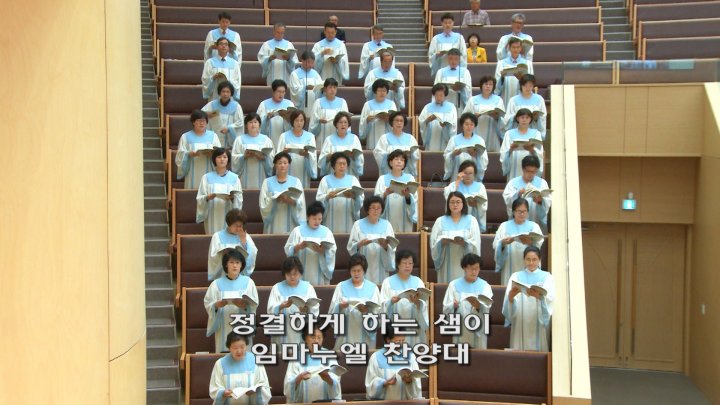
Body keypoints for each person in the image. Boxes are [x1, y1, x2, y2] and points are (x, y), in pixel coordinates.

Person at [204, 251, 259, 353]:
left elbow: (254, 305)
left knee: (243, 354)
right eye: (231, 262)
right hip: (223, 324)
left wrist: (245, 306)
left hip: (242, 324)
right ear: (226, 264)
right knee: (225, 355)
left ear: (241, 265)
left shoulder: (249, 283)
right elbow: (208, 303)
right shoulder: (216, 284)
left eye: (237, 263)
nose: (235, 266)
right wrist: (216, 306)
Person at [502, 246, 555, 351]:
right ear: (524, 259)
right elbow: (508, 301)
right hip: (520, 320)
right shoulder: (515, 277)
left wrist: (539, 297)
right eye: (528, 259)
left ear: (539, 260)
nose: (531, 263)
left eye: (534, 259)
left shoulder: (547, 277)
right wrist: (511, 296)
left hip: (538, 320)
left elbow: (550, 299)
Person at [329, 254, 381, 349]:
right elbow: (332, 312)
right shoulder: (341, 286)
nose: (356, 273)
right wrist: (340, 307)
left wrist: (366, 311)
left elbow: (378, 314)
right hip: (346, 334)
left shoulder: (373, 288)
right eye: (353, 270)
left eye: (359, 271)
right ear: (350, 271)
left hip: (365, 335)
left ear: (364, 271)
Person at [442, 253, 492, 348]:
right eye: (471, 268)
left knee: (478, 355)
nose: (474, 272)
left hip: (478, 331)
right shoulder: (454, 285)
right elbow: (446, 308)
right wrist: (453, 306)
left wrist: (478, 306)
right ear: (464, 268)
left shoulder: (485, 286)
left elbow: (487, 307)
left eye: (476, 268)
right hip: (461, 328)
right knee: (462, 354)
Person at [380, 250, 429, 346]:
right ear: (398, 264)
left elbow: (423, 305)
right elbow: (382, 305)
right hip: (395, 327)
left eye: (410, 263)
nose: (407, 266)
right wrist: (391, 302)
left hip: (414, 327)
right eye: (404, 263)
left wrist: (417, 302)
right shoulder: (388, 282)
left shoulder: (418, 282)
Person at [430, 192, 481, 283]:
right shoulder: (440, 221)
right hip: (446, 261)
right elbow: (433, 244)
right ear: (448, 204)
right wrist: (442, 242)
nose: (455, 205)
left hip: (464, 261)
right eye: (452, 202)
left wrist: (465, 243)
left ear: (463, 203)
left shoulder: (472, 221)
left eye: (458, 202)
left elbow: (476, 244)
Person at [267, 257, 319, 345]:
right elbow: (270, 310)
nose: (292, 277)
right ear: (284, 273)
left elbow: (315, 309)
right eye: (289, 274)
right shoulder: (276, 288)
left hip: (301, 326)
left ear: (300, 273)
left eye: (295, 274)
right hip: (283, 327)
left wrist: (306, 310)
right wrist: (281, 306)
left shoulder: (308, 287)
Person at [208, 333, 271, 405]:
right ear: (229, 348)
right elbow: (214, 388)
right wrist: (223, 393)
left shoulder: (256, 361)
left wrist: (257, 390)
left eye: (242, 347)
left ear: (246, 345)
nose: (239, 351)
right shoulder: (220, 364)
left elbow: (264, 385)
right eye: (235, 348)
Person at [493, 198, 544, 285]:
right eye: (519, 211)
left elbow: (538, 245)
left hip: (529, 263)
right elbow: (496, 244)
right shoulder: (504, 226)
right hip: (509, 263)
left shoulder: (534, 226)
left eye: (524, 211)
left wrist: (530, 243)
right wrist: (503, 243)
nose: (522, 214)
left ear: (528, 212)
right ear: (513, 212)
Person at [284, 327, 342, 403]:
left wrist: (327, 377)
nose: (316, 341)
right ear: (305, 339)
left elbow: (336, 385)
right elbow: (288, 387)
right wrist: (300, 377)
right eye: (312, 337)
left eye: (319, 337)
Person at [348, 196, 397, 285]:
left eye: (378, 208)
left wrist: (386, 247)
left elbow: (392, 247)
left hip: (381, 265)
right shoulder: (357, 224)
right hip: (363, 263)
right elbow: (351, 247)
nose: (376, 211)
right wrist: (360, 244)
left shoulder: (387, 225)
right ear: (367, 209)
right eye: (373, 208)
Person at [285, 202, 337, 286]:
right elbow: (288, 249)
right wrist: (298, 247)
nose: (317, 221)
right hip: (301, 268)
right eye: (314, 218)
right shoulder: (297, 231)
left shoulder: (327, 232)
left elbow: (332, 251)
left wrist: (323, 251)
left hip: (319, 272)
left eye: (319, 219)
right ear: (308, 217)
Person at [196, 148, 243, 235]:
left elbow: (239, 199)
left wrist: (233, 198)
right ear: (214, 159)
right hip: (212, 214)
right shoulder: (206, 178)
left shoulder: (235, 178)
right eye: (219, 157)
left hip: (229, 214)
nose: (222, 159)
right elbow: (200, 198)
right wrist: (207, 197)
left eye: (225, 157)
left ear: (228, 159)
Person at [365, 331, 423, 400]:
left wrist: (410, 382)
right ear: (388, 340)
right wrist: (384, 383)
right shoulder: (376, 357)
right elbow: (370, 384)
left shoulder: (410, 356)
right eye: (398, 341)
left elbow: (417, 386)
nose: (401, 344)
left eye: (403, 341)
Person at [259, 152, 307, 234]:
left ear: (289, 165)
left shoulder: (296, 182)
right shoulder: (267, 182)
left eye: (285, 163)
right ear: (275, 165)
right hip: (272, 222)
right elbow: (263, 204)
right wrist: (274, 200)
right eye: (279, 163)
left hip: (291, 221)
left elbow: (301, 203)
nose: (282, 165)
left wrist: (290, 201)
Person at [316, 153, 363, 234]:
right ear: (333, 165)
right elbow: (319, 198)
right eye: (339, 164)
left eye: (344, 164)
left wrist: (354, 197)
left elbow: (360, 197)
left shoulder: (353, 180)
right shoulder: (325, 180)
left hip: (348, 216)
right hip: (330, 216)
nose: (342, 166)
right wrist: (327, 196)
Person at [503, 155, 551, 233]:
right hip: (517, 224)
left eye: (533, 172)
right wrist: (518, 194)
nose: (530, 174)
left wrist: (540, 201)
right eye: (528, 171)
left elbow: (547, 202)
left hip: (536, 221)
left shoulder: (542, 183)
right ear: (523, 169)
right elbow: (507, 200)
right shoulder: (513, 183)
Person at [176, 110, 222, 189]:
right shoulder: (185, 136)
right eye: (199, 121)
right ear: (193, 122)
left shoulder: (213, 136)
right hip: (192, 171)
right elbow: (180, 155)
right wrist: (188, 154)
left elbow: (220, 153)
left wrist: (213, 154)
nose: (202, 123)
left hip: (209, 170)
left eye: (204, 121)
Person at [374, 150, 418, 233]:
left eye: (402, 160)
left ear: (404, 164)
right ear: (390, 162)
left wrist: (407, 196)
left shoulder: (410, 178)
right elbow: (376, 200)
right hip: (387, 216)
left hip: (405, 218)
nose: (399, 162)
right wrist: (385, 194)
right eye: (396, 159)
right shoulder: (382, 179)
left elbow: (415, 199)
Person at [208, 209, 257, 281]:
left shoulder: (245, 236)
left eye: (240, 226)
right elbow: (213, 259)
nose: (238, 228)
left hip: (240, 277)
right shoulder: (217, 236)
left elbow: (252, 255)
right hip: (222, 277)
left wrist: (244, 243)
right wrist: (222, 254)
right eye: (236, 226)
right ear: (229, 224)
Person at [231, 113, 275, 189]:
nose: (253, 125)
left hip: (261, 174)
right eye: (250, 122)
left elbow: (272, 158)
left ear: (259, 125)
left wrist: (264, 158)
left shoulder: (266, 140)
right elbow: (234, 157)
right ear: (246, 125)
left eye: (255, 122)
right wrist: (244, 156)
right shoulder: (239, 140)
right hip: (244, 175)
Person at [275, 110, 318, 188]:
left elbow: (313, 156)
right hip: (289, 169)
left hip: (304, 170)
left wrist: (307, 154)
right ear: (292, 121)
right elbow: (278, 156)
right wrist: (284, 153)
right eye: (297, 120)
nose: (299, 123)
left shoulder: (310, 137)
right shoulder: (284, 136)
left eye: (301, 120)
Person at [499, 108, 543, 181]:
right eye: (522, 117)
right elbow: (504, 152)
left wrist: (532, 150)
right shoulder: (509, 134)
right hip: (514, 165)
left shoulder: (536, 134)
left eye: (527, 118)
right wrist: (511, 149)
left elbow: (539, 153)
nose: (524, 120)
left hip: (530, 165)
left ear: (530, 119)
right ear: (517, 118)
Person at [462, 75, 505, 152]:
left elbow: (502, 118)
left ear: (493, 86)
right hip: (477, 130)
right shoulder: (473, 100)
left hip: (493, 132)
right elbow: (465, 117)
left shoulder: (498, 100)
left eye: (490, 84)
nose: (488, 86)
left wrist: (496, 117)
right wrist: (473, 117)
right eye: (486, 84)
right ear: (481, 86)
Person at [443, 112, 488, 182]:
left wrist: (476, 156)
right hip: (457, 172)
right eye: (466, 124)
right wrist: (453, 154)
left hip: (473, 175)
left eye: (471, 124)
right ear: (462, 125)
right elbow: (447, 156)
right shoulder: (454, 139)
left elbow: (484, 160)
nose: (469, 127)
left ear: (474, 126)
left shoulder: (480, 141)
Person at [444, 160, 488, 232]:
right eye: (465, 173)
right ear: (460, 173)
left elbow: (484, 205)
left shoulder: (480, 186)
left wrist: (476, 204)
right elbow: (447, 197)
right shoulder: (454, 184)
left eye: (470, 173)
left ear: (474, 174)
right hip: (456, 217)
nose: (468, 176)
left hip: (474, 218)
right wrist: (457, 181)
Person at [373, 112, 420, 178]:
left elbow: (416, 154)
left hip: (406, 172)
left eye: (401, 121)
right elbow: (378, 153)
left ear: (404, 123)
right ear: (392, 122)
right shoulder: (384, 138)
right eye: (397, 120)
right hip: (389, 172)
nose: (399, 123)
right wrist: (391, 155)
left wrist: (410, 154)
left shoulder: (411, 138)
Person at [318, 111, 363, 178]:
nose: (343, 124)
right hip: (333, 176)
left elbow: (360, 160)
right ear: (336, 124)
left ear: (348, 125)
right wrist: (329, 156)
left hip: (350, 175)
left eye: (345, 122)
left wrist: (353, 156)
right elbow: (322, 161)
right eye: (340, 122)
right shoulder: (329, 140)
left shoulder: (355, 139)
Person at [503, 74, 547, 141]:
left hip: (533, 132)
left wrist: (536, 118)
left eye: (530, 86)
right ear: (521, 85)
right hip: (517, 132)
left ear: (533, 86)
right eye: (525, 86)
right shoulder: (513, 100)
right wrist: (517, 116)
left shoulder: (539, 99)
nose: (528, 88)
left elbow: (543, 117)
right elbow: (508, 118)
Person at [201, 81, 244, 149]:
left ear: (231, 93)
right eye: (223, 91)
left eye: (228, 92)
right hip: (215, 136)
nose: (225, 94)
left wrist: (229, 128)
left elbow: (240, 122)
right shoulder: (212, 105)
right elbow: (201, 115)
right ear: (219, 92)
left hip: (229, 139)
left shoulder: (236, 106)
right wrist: (207, 114)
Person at [310, 78, 349, 149]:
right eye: (330, 87)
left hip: (337, 136)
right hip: (322, 136)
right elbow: (313, 122)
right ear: (325, 89)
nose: (332, 90)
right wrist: (319, 121)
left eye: (334, 87)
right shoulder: (318, 102)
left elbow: (346, 121)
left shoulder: (342, 102)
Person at [359, 79, 398, 150]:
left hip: (387, 136)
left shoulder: (392, 104)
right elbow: (362, 122)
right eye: (379, 91)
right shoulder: (367, 105)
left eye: (384, 91)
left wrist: (389, 120)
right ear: (375, 91)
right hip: (372, 136)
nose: (382, 93)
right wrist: (367, 120)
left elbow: (396, 121)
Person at [419, 84, 457, 152]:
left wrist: (445, 126)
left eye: (441, 95)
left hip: (445, 141)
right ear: (434, 95)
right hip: (432, 138)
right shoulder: (427, 107)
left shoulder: (451, 107)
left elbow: (454, 125)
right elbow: (422, 122)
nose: (439, 98)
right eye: (437, 95)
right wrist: (427, 121)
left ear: (445, 95)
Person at [257, 22, 298, 86]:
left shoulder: (289, 45)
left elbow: (294, 61)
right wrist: (269, 59)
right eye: (278, 32)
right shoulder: (266, 45)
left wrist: (288, 59)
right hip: (272, 76)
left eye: (282, 33)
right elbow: (261, 58)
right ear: (274, 32)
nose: (280, 35)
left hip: (285, 76)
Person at [495, 37, 533, 106]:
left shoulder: (528, 64)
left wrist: (522, 79)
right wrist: (502, 78)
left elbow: (531, 82)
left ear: (521, 48)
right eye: (513, 47)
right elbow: (497, 85)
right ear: (509, 48)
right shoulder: (501, 63)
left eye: (518, 47)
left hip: (522, 98)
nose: (516, 49)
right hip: (506, 97)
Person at [202, 37, 242, 102]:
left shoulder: (235, 64)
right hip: (214, 95)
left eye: (226, 44)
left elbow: (238, 81)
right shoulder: (210, 62)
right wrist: (213, 78)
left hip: (229, 96)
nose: (223, 46)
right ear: (217, 47)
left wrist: (227, 79)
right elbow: (205, 79)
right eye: (221, 44)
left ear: (228, 48)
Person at [257, 79, 294, 146]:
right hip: (269, 138)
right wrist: (267, 118)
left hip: (285, 140)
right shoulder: (264, 104)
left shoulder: (289, 104)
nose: (281, 94)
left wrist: (287, 118)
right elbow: (258, 122)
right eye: (279, 92)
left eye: (283, 92)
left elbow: (294, 122)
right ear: (273, 91)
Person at [428, 13, 467, 77]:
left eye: (449, 23)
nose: (447, 25)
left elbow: (464, 54)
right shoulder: (436, 39)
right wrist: (438, 55)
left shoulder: (459, 37)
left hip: (456, 69)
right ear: (442, 23)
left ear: (453, 23)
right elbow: (431, 55)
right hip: (440, 68)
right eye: (445, 23)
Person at [434, 48, 472, 112]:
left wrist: (461, 89)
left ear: (459, 59)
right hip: (445, 101)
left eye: (456, 59)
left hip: (459, 103)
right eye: (451, 58)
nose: (453, 61)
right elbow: (435, 89)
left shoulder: (465, 72)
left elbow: (468, 89)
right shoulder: (440, 72)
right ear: (447, 59)